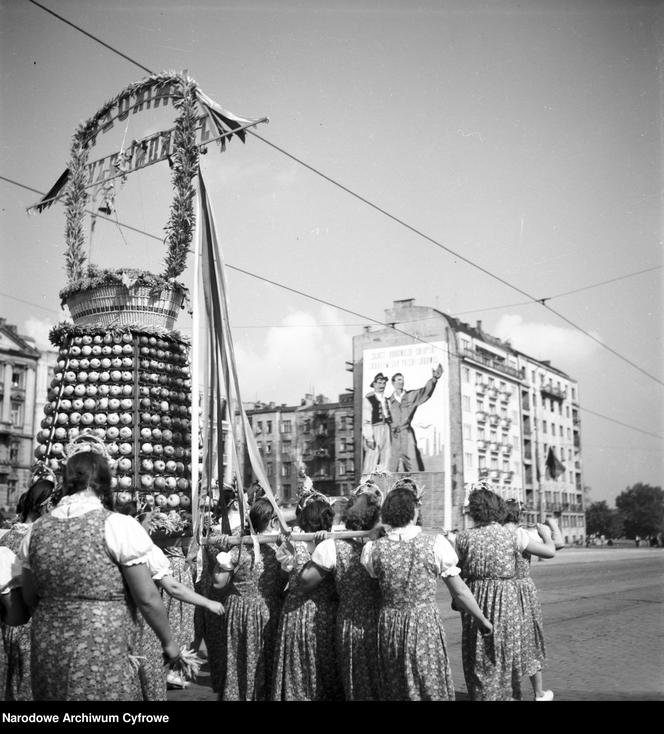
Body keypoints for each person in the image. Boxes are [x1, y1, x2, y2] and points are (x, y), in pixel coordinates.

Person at [18, 436, 179, 701]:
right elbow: (147, 598)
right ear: (104, 482)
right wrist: (169, 642)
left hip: (48, 645)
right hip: (102, 643)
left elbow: (29, 596)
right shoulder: (117, 526)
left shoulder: (36, 532)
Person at [360, 480, 492, 700]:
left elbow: (374, 576)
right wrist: (482, 620)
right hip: (423, 623)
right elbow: (459, 591)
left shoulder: (373, 549)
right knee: (427, 681)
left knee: (397, 682)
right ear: (413, 512)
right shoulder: (435, 544)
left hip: (389, 625)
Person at [453, 486, 555, 701]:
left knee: (478, 656)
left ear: (473, 511)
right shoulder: (513, 535)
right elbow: (550, 551)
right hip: (506, 600)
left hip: (476, 599)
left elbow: (457, 572)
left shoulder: (462, 538)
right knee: (505, 655)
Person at [115, 499, 223, 699]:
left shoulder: (111, 544)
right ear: (137, 520)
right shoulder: (144, 550)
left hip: (114, 626)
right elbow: (172, 588)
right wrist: (207, 602)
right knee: (150, 684)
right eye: (149, 521)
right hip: (141, 626)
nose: (151, 525)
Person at [300, 485, 383, 700]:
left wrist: (312, 551)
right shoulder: (385, 544)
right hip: (384, 621)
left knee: (356, 678)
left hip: (350, 620)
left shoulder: (333, 547)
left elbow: (305, 582)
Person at [212, 497, 286, 700]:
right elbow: (286, 580)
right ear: (272, 521)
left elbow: (219, 583)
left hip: (239, 611)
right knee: (265, 658)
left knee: (238, 660)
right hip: (268, 611)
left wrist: (222, 554)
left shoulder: (238, 549)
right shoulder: (279, 550)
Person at [271, 495, 343, 700]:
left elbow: (285, 575)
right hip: (321, 613)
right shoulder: (331, 544)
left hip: (302, 613)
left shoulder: (321, 544)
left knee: (306, 666)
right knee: (318, 666)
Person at [0, 465, 55, 701]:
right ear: (46, 505)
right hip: (33, 622)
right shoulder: (41, 538)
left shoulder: (8, 533)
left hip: (8, 618)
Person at [502, 500, 557, 701]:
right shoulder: (523, 534)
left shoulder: (497, 534)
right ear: (519, 515)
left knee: (507, 639)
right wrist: (548, 532)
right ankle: (539, 693)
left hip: (503, 590)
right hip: (524, 591)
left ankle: (506, 691)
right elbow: (554, 547)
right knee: (530, 639)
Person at [387, 363, 443, 472]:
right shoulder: (388, 401)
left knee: (413, 464)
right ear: (393, 383)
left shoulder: (411, 396)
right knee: (391, 466)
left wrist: (434, 379)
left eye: (402, 380)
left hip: (406, 434)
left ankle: (417, 487)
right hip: (392, 436)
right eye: (398, 380)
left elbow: (425, 391)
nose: (401, 382)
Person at [361, 372, 392, 479]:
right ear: (374, 384)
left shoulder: (387, 400)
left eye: (384, 383)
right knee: (372, 456)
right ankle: (366, 482)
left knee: (386, 455)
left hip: (386, 428)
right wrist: (369, 437)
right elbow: (366, 420)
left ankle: (383, 481)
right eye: (379, 383)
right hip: (375, 429)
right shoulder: (368, 399)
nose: (381, 385)